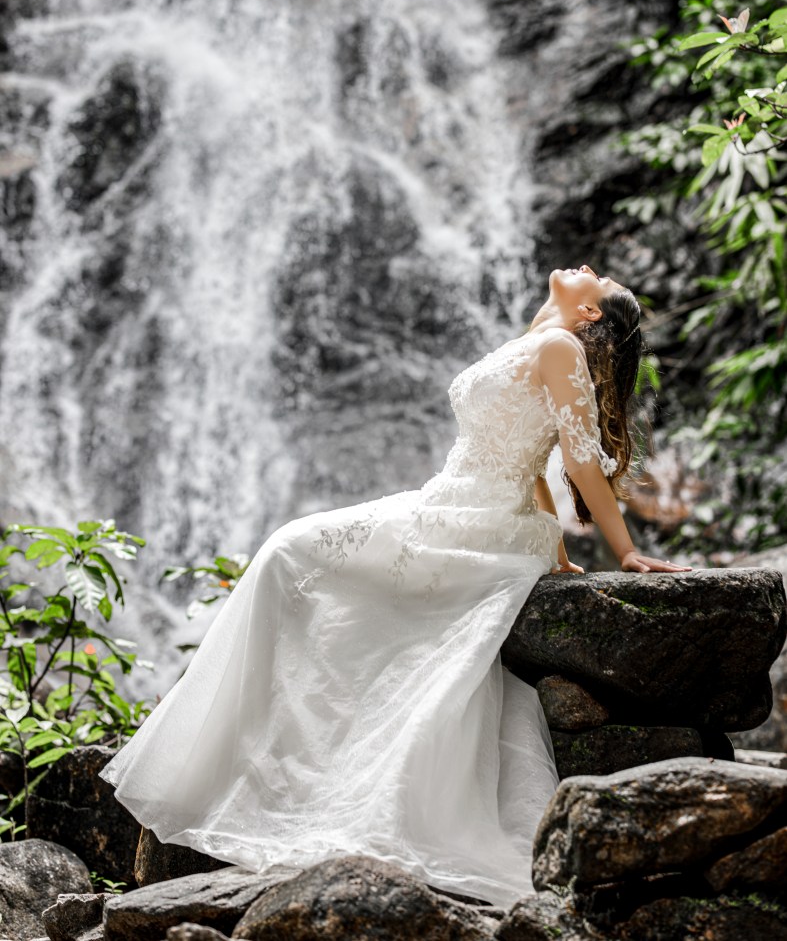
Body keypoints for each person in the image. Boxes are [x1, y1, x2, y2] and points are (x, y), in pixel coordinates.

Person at [100, 264, 689, 910]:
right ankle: (270, 763)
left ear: (590, 314)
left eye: (598, 279)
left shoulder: (559, 347)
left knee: (290, 551)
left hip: (480, 519)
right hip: (453, 504)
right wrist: (554, 548)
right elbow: (535, 460)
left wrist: (624, 551)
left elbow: (576, 458)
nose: (585, 269)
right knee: (290, 555)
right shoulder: (539, 341)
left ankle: (239, 766)